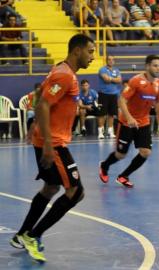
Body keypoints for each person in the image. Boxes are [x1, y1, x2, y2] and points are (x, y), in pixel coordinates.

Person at [9, 34, 95, 262]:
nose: (92, 57)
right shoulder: (64, 75)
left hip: (47, 139)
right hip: (54, 143)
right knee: (76, 192)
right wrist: (47, 144)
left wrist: (34, 126)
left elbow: (39, 95)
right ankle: (33, 235)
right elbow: (45, 103)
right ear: (77, 51)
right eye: (90, 51)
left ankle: (20, 234)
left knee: (50, 187)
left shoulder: (60, 70)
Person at [99, 55, 159, 188]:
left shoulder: (158, 83)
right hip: (126, 122)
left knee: (146, 152)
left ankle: (123, 176)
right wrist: (130, 118)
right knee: (120, 155)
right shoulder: (136, 81)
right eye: (155, 65)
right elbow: (121, 100)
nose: (158, 68)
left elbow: (158, 102)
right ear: (147, 66)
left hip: (143, 122)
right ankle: (104, 165)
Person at [97, 55, 122, 139]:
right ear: (106, 61)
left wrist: (110, 79)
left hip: (113, 95)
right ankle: (100, 132)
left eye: (112, 60)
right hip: (103, 94)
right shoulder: (102, 69)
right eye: (109, 59)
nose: (111, 61)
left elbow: (119, 80)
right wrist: (114, 79)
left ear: (114, 61)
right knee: (102, 114)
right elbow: (105, 79)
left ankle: (110, 132)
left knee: (111, 114)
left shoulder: (117, 70)